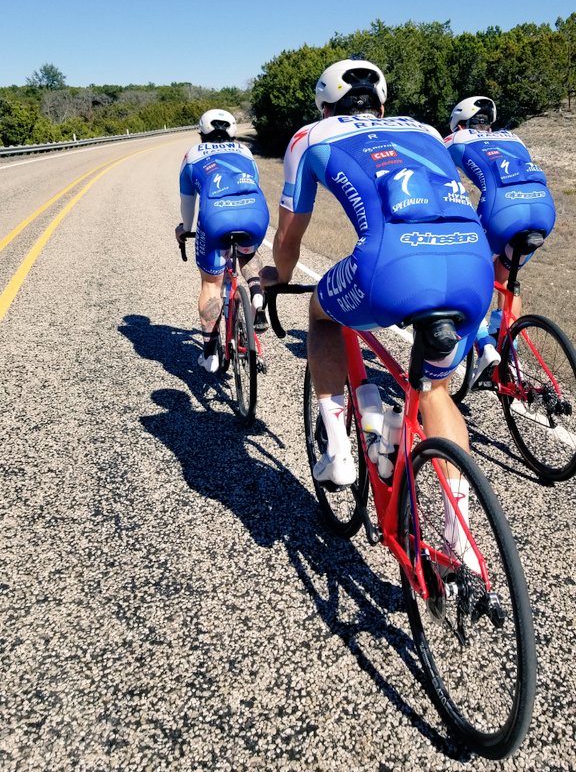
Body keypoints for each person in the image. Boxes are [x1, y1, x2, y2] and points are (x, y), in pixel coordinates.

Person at [261, 59, 494, 566]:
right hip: (472, 265)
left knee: (324, 312)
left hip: (392, 264)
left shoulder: (310, 136)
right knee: (433, 391)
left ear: (326, 105)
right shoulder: (427, 129)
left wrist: (278, 279)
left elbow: (288, 237)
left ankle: (340, 452)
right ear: (382, 103)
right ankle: (462, 543)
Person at [445, 96, 556, 382]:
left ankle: (485, 347)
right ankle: (509, 355)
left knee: (468, 278)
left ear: (459, 123)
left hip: (502, 211)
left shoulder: (456, 139)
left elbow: (442, 182)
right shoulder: (514, 138)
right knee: (505, 281)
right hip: (543, 211)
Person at [176, 109, 270, 373]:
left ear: (201, 134)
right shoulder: (246, 153)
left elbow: (188, 204)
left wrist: (184, 229)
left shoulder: (192, 155)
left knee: (211, 284)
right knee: (248, 254)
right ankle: (256, 295)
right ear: (232, 133)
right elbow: (254, 186)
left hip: (216, 219)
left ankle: (209, 353)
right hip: (255, 215)